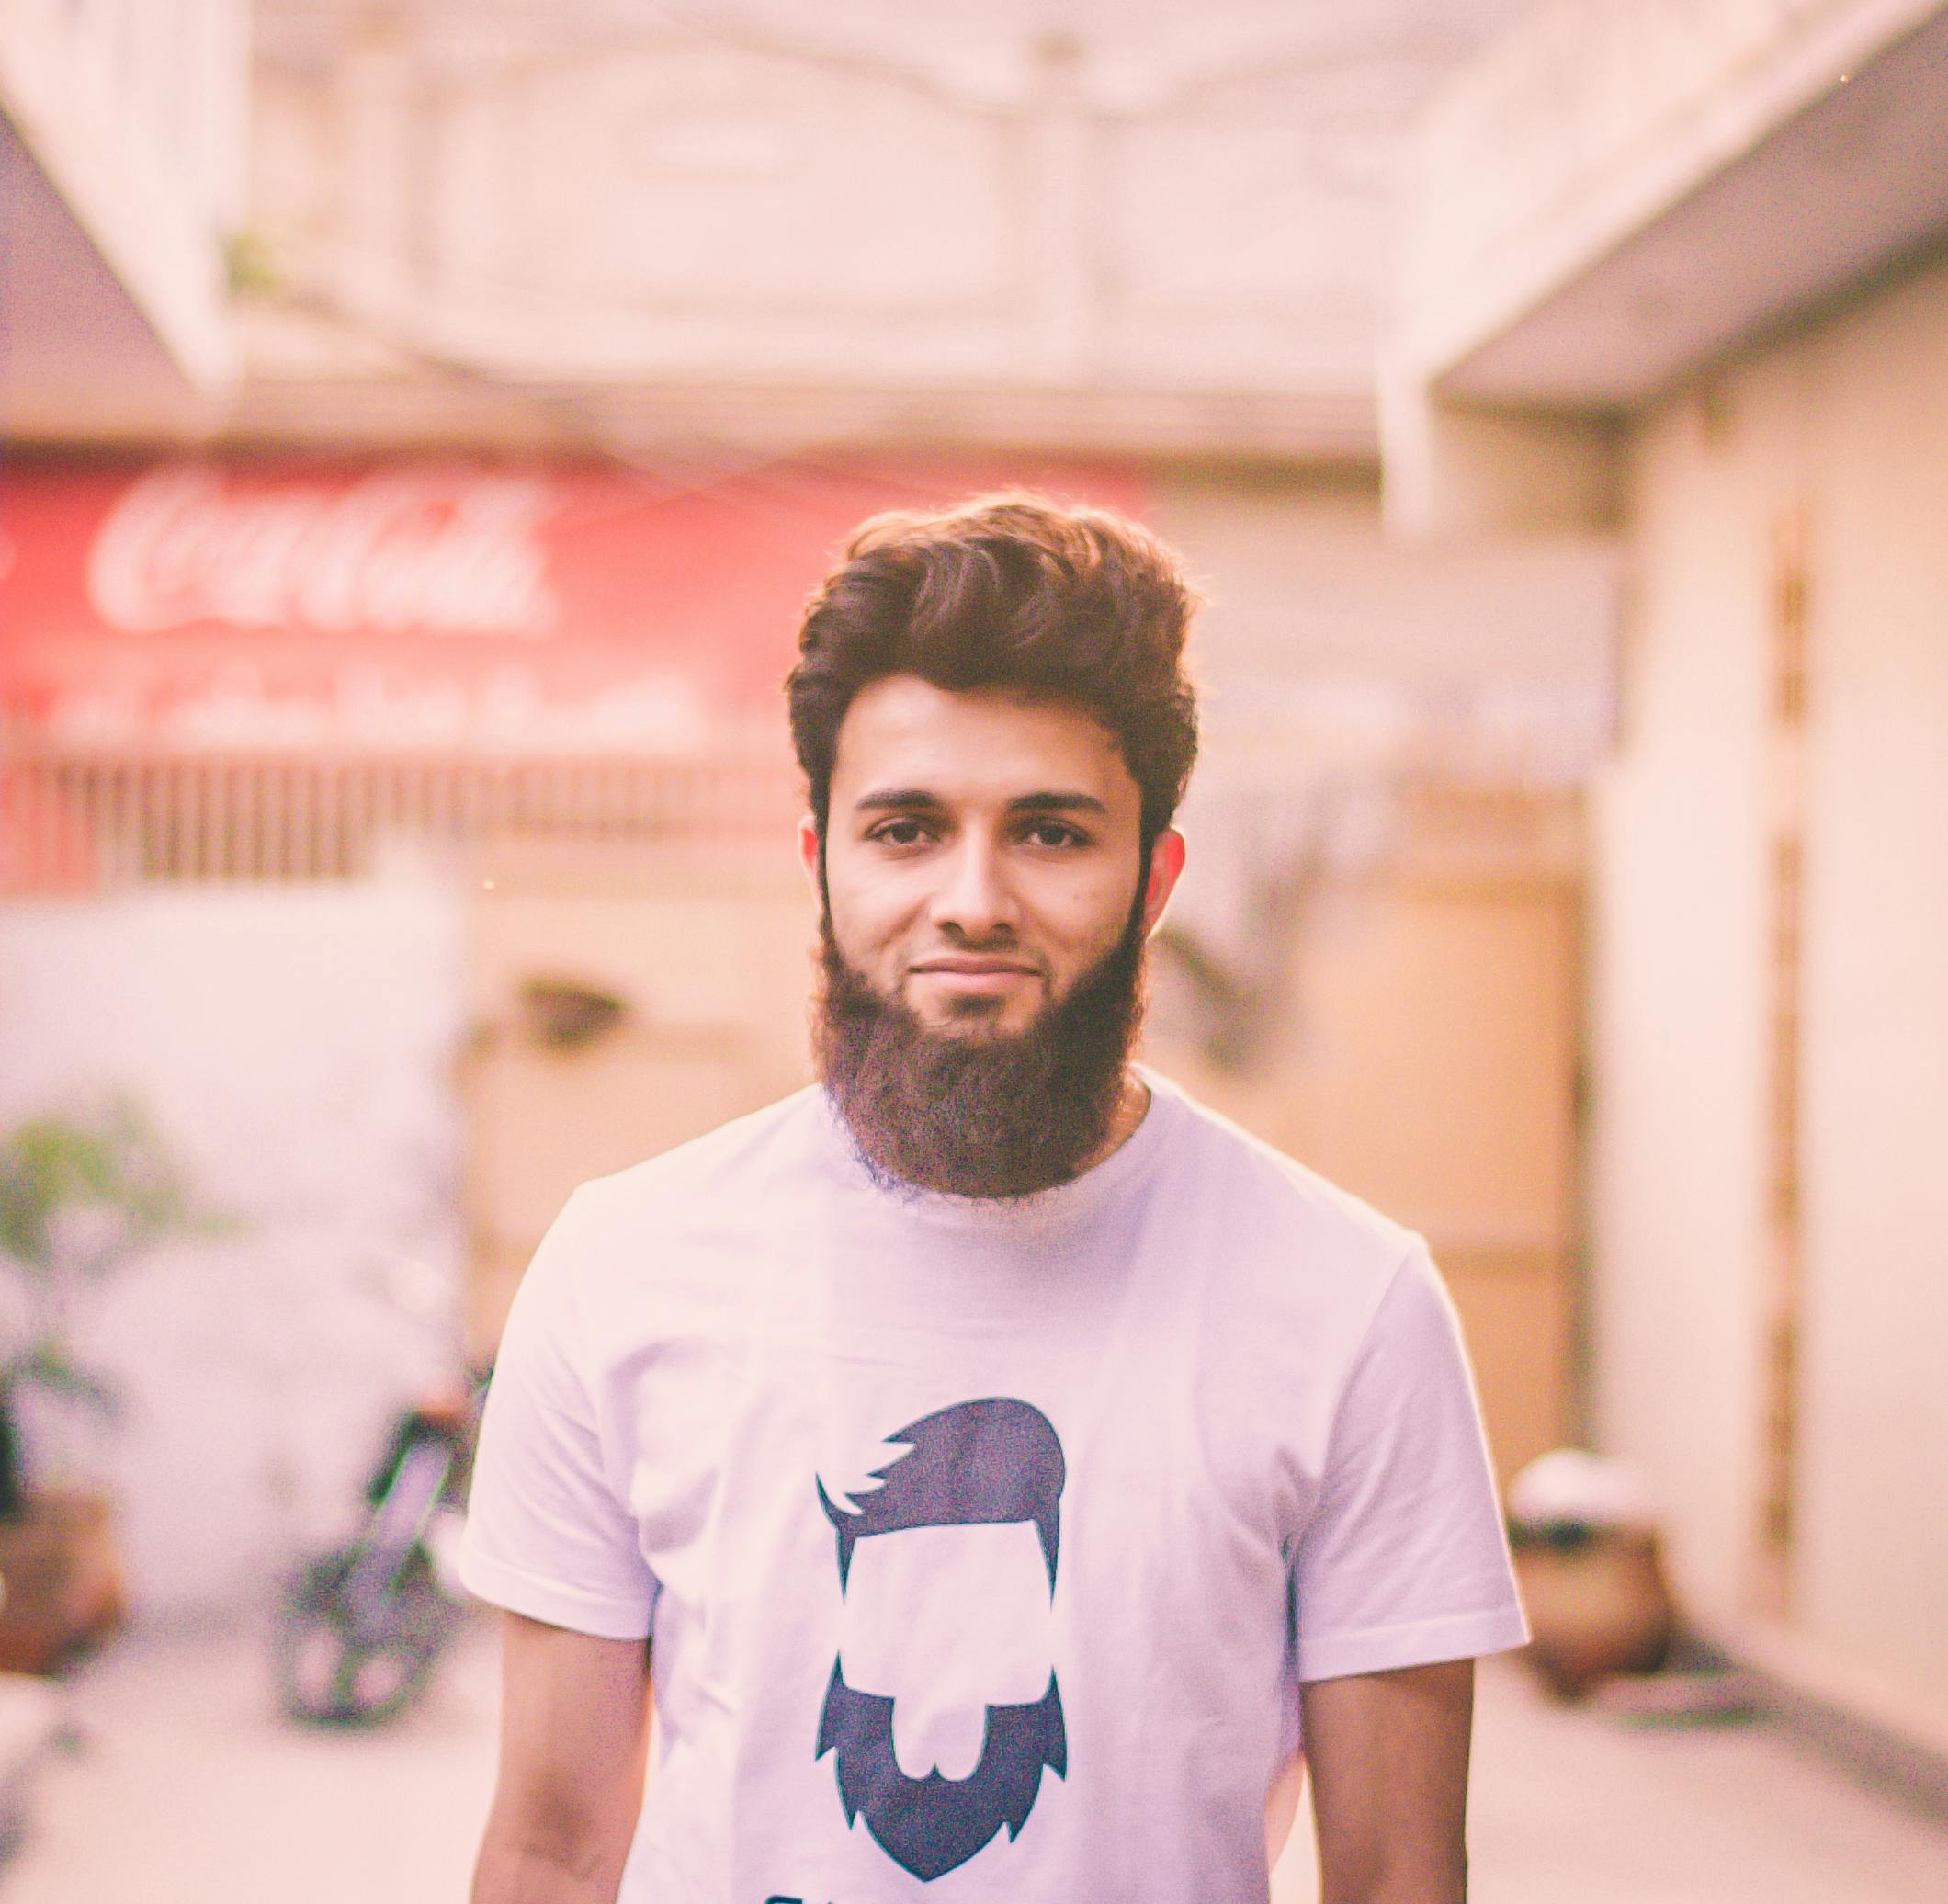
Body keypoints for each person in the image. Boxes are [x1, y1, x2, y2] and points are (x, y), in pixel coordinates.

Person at [461, 494, 1527, 1903]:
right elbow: (551, 1844)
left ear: (1155, 881)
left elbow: (1398, 1875)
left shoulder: (1351, 1304)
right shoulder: (622, 1268)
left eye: (1049, 833)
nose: (971, 900)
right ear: (821, 867)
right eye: (905, 831)